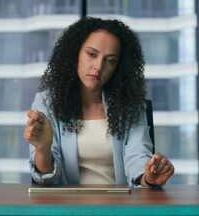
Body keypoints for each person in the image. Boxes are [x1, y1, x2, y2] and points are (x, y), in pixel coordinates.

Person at [23, 17, 174, 188]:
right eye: (92, 54)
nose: (98, 66)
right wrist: (43, 148)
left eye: (110, 60)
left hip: (119, 209)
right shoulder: (46, 103)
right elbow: (46, 178)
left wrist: (148, 177)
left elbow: (138, 156)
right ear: (75, 53)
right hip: (67, 209)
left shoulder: (130, 105)